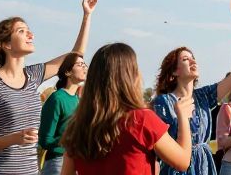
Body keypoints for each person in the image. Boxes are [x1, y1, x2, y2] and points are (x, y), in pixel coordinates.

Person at [0, 0, 98, 175]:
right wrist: (14, 138)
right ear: (6, 44)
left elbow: (75, 55)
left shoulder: (33, 76)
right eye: (21, 31)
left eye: (28, 30)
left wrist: (87, 15)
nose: (30, 34)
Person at [60, 42, 194, 174]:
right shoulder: (141, 120)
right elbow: (182, 162)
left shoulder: (77, 127)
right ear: (129, 77)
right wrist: (182, 117)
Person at [152, 27, 231, 175]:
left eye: (193, 57)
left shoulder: (203, 96)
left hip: (204, 167)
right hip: (177, 169)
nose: (193, 61)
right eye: (185, 59)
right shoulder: (163, 103)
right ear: (174, 72)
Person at [39, 52, 88, 174]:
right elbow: (45, 140)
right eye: (79, 64)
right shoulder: (57, 99)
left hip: (76, 160)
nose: (84, 67)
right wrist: (69, 139)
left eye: (84, 64)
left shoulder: (78, 100)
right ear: (67, 72)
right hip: (57, 163)